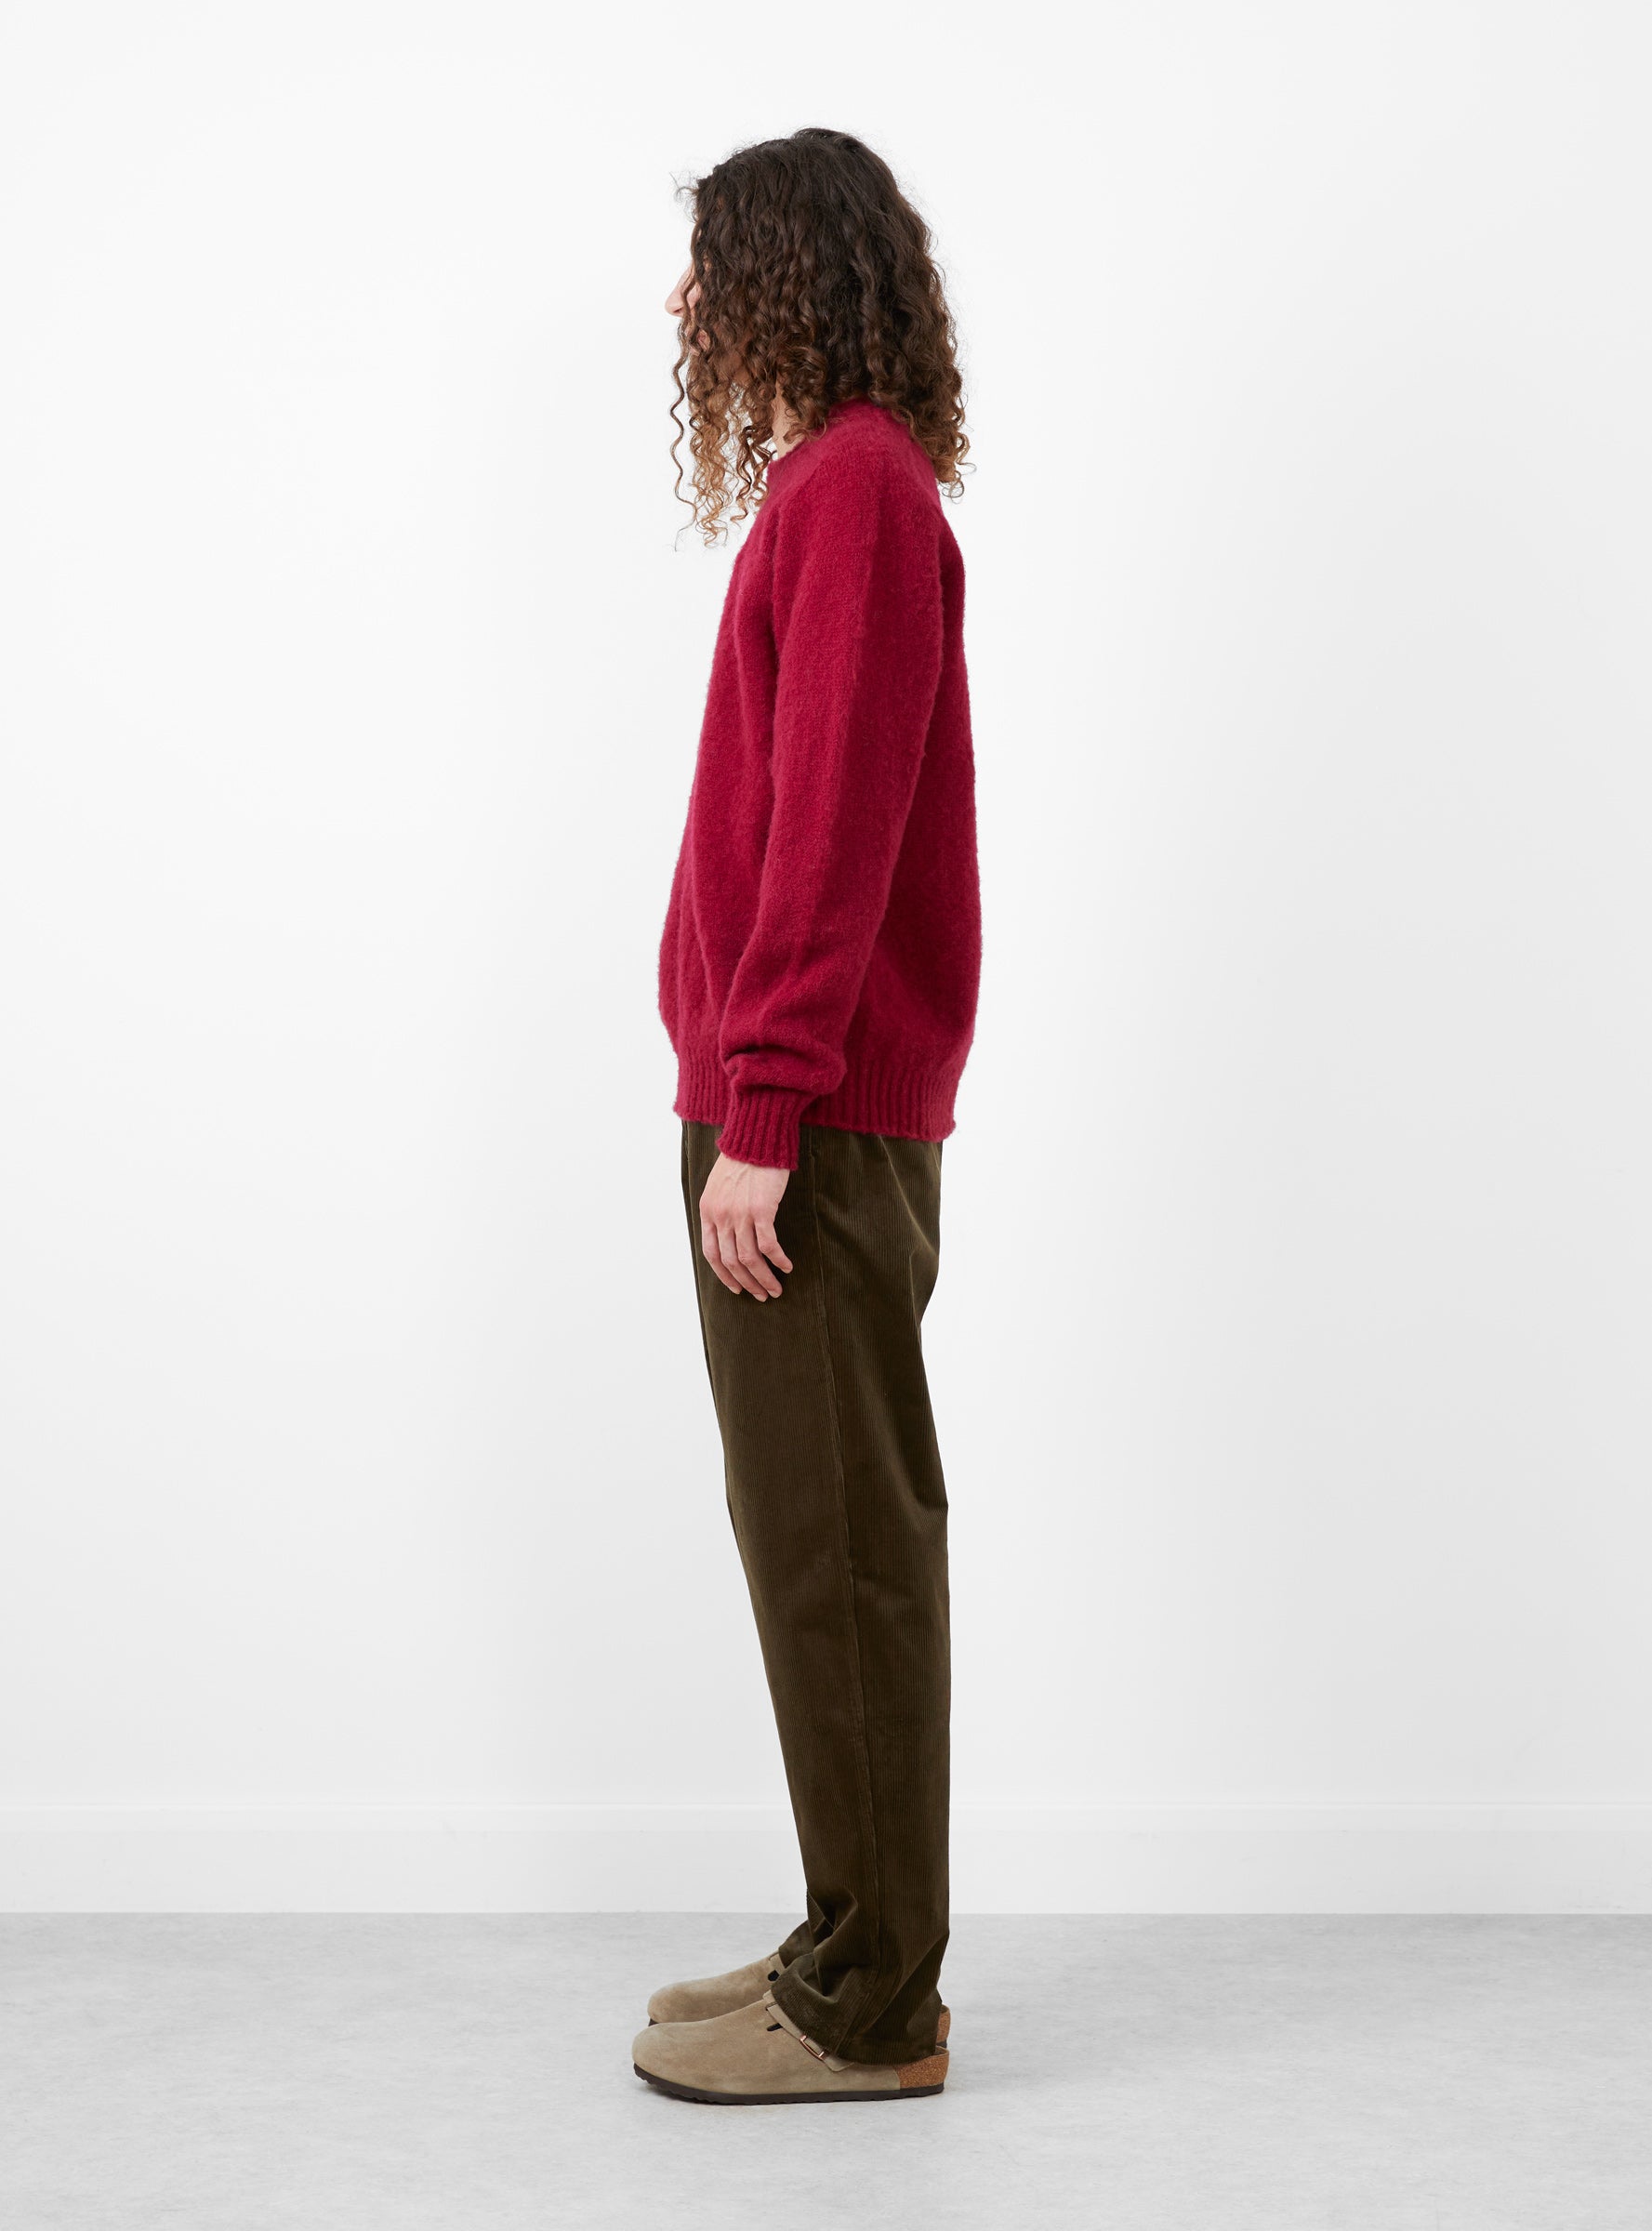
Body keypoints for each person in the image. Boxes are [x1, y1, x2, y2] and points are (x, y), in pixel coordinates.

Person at [631, 127, 982, 2106]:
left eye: (712, 262)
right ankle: (850, 1938)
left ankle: (873, 2007)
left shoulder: (854, 491)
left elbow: (837, 821)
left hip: (810, 1121)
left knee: (839, 1547)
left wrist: (761, 1108)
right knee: (812, 1537)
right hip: (791, 1106)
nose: (685, 300)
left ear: (785, 272)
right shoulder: (833, 485)